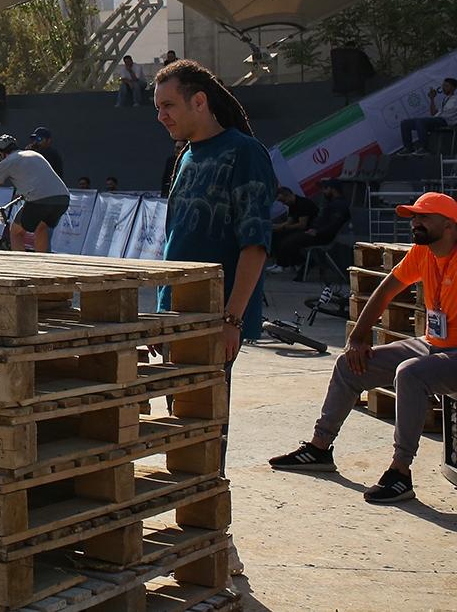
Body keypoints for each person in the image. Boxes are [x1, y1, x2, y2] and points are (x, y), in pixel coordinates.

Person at [153, 56, 274, 574]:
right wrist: (161, 313)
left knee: (206, 434)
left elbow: (255, 245)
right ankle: (196, 535)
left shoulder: (244, 154)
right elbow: (176, 241)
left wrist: (232, 320)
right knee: (184, 432)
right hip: (177, 318)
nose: (161, 116)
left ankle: (216, 542)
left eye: (168, 105)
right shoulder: (185, 156)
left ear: (199, 101)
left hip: (214, 322)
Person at [269, 192, 457, 504]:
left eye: (423, 217)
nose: (415, 222)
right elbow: (386, 290)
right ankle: (318, 448)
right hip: (432, 345)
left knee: (409, 373)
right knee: (349, 365)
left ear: (449, 225)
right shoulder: (422, 253)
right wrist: (357, 338)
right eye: (413, 216)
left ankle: (400, 472)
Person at [0, 135, 70, 252]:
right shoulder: (34, 154)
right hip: (63, 198)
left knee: (16, 232)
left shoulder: (6, 162)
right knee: (41, 228)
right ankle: (42, 260)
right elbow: (37, 178)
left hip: (39, 200)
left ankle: (20, 261)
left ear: (1, 153)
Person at [399, 77, 457, 152]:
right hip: (438, 120)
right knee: (405, 123)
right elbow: (433, 113)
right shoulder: (445, 99)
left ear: (453, 88)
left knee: (420, 122)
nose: (443, 88)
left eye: (446, 86)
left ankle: (424, 148)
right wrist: (432, 99)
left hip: (446, 121)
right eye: (443, 86)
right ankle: (408, 148)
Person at [268, 186, 320, 270]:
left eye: (283, 201)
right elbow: (289, 222)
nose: (284, 204)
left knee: (286, 239)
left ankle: (287, 264)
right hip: (301, 229)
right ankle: (281, 263)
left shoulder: (303, 203)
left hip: (310, 230)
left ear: (289, 195)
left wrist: (284, 227)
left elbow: (302, 225)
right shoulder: (292, 205)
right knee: (275, 234)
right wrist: (275, 226)